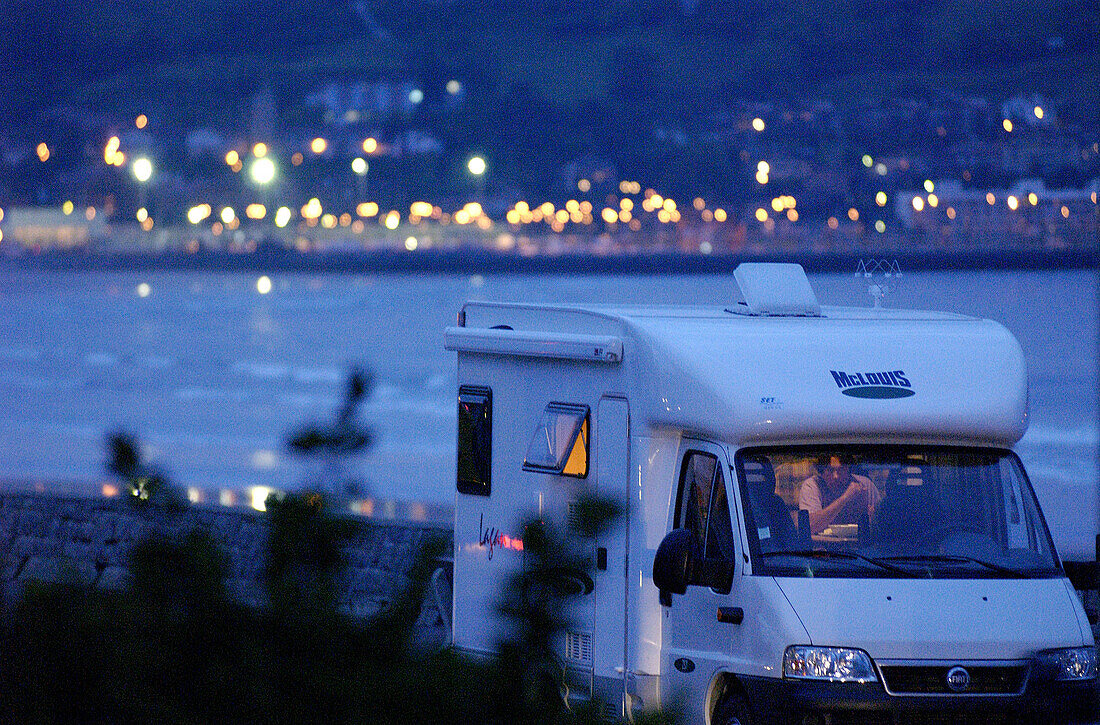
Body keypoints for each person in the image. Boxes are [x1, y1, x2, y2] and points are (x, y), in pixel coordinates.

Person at [799, 454, 882, 536]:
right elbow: (810, 526)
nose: (835, 476)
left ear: (848, 468)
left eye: (841, 469)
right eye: (830, 470)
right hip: (824, 547)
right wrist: (845, 497)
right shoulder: (812, 485)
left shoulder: (865, 484)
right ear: (822, 471)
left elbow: (882, 525)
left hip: (859, 546)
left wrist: (870, 518)